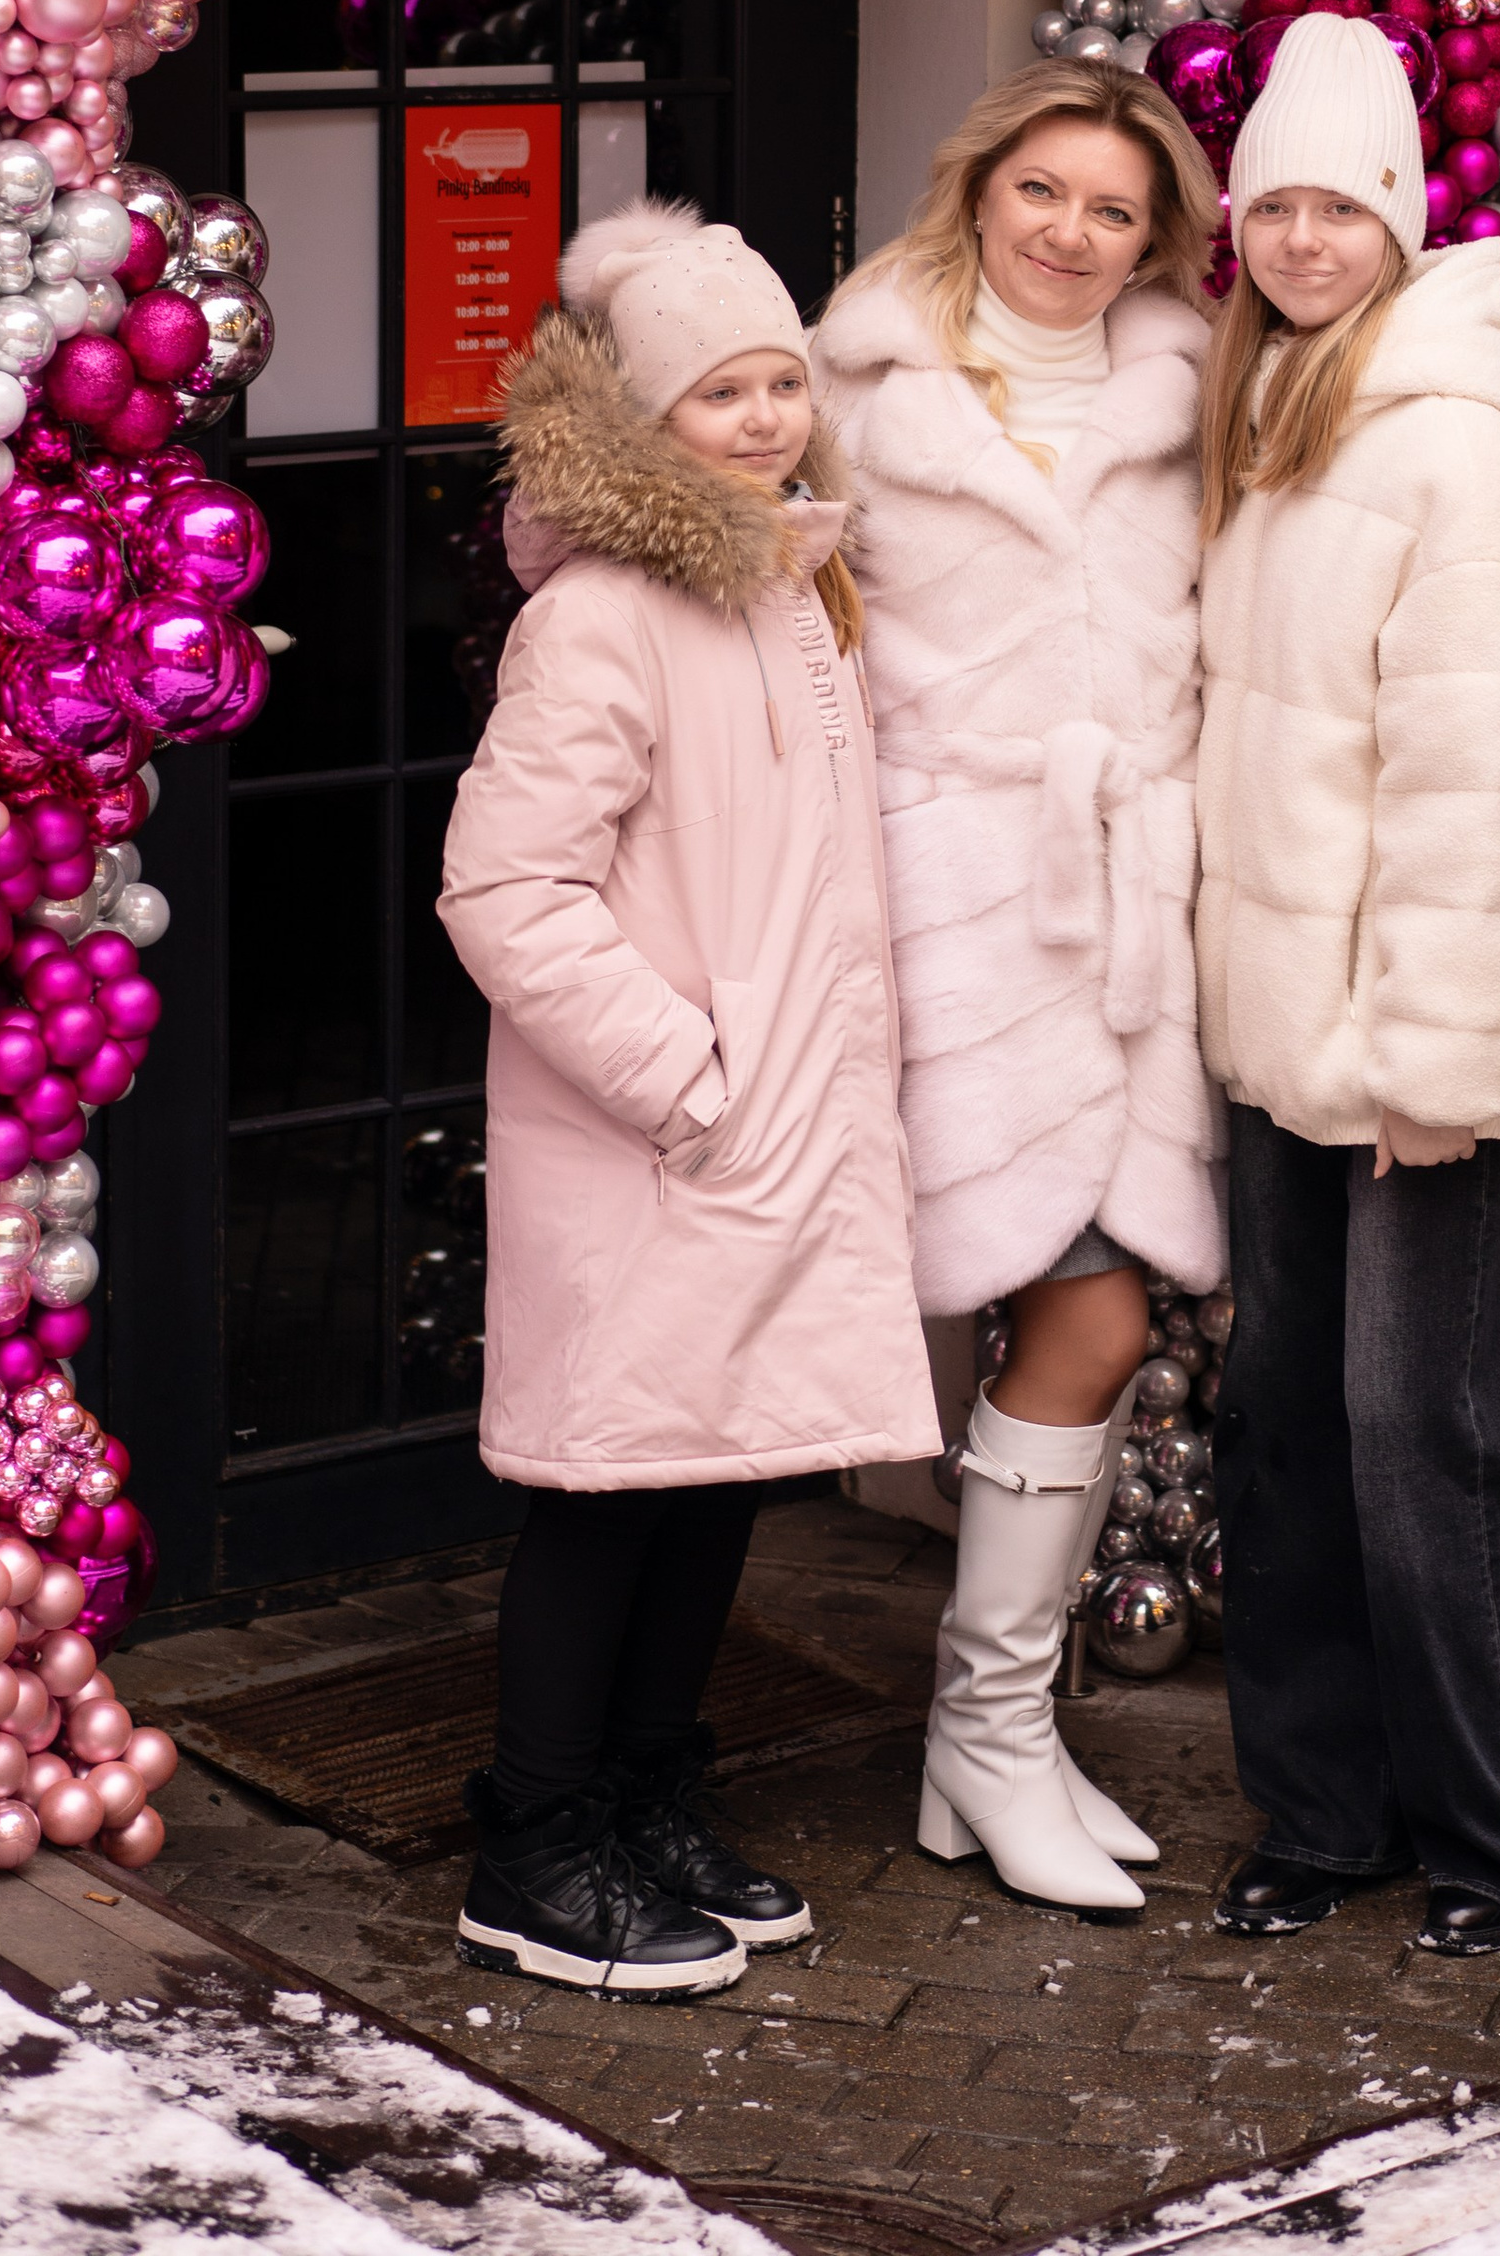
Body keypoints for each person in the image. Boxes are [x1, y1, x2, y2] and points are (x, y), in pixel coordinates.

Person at [440, 197, 940, 1999]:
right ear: (642, 421)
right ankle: (534, 1837)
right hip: (663, 1137)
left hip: (768, 1129)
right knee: (606, 1491)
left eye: (780, 385)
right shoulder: (603, 620)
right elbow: (507, 891)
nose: (761, 421)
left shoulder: (791, 587)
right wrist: (693, 1079)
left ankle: (648, 1791)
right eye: (718, 394)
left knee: (714, 1474)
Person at [1194, 12, 1500, 1958]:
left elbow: (1479, 784)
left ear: (1394, 214)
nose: (1294, 237)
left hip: (1403, 1045)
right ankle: (1323, 1809)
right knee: (1279, 1420)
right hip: (1274, 1032)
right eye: (1265, 202)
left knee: (1419, 1430)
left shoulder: (1444, 447)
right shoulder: (1270, 420)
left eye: (1329, 205)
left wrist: (1439, 1052)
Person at [812, 62, 1226, 1914]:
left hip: (1126, 920)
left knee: (1095, 1324)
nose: (1069, 234)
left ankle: (995, 1740)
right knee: (1060, 1322)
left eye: (1112, 210)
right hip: (930, 911)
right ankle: (985, 1744)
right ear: (980, 190)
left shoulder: (1192, 394)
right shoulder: (848, 385)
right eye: (1040, 192)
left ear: (1157, 238)